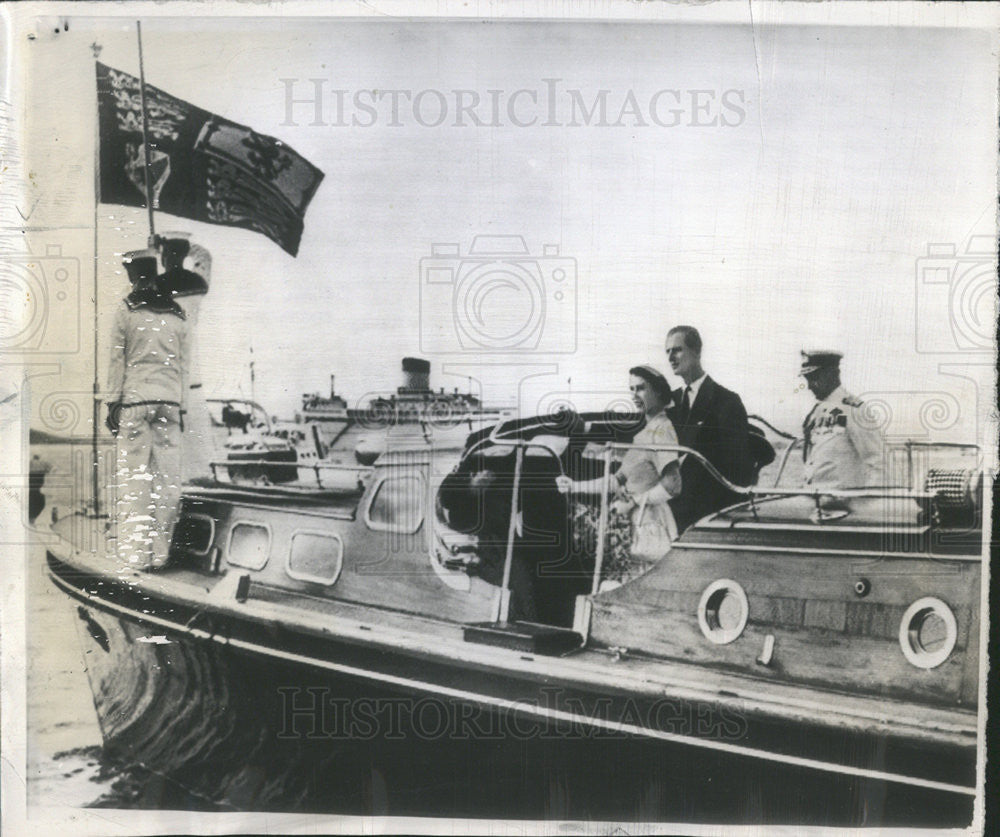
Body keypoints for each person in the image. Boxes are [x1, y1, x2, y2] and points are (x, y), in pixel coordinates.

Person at [106, 249, 189, 570]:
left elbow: (117, 360)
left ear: (132, 276)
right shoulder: (179, 315)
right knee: (167, 479)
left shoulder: (126, 310)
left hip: (136, 402)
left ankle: (137, 556)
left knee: (135, 479)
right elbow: (185, 366)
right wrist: (180, 407)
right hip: (170, 402)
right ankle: (162, 553)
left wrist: (112, 402)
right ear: (153, 274)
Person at [556, 365, 682, 574]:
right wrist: (574, 486)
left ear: (658, 391)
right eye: (631, 389)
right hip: (635, 527)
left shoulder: (662, 430)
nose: (634, 395)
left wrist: (633, 502)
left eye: (640, 388)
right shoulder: (644, 433)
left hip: (651, 528)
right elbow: (617, 480)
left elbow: (673, 486)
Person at [665, 325, 752, 532]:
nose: (671, 357)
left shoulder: (726, 401)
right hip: (668, 512)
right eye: (667, 352)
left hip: (706, 517)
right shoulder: (670, 401)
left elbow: (740, 469)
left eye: (677, 350)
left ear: (697, 352)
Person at [154, 232, 212, 481]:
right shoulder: (198, 283)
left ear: (165, 257)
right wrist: (186, 246)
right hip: (191, 366)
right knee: (196, 432)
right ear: (184, 254)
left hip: (167, 368)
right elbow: (205, 257)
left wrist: (153, 249)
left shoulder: (156, 288)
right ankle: (201, 479)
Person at [800, 350, 885, 489]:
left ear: (832, 375)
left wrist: (869, 501)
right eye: (807, 380)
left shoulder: (854, 409)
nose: (809, 386)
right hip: (816, 498)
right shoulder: (817, 411)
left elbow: (877, 460)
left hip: (845, 503)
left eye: (813, 378)